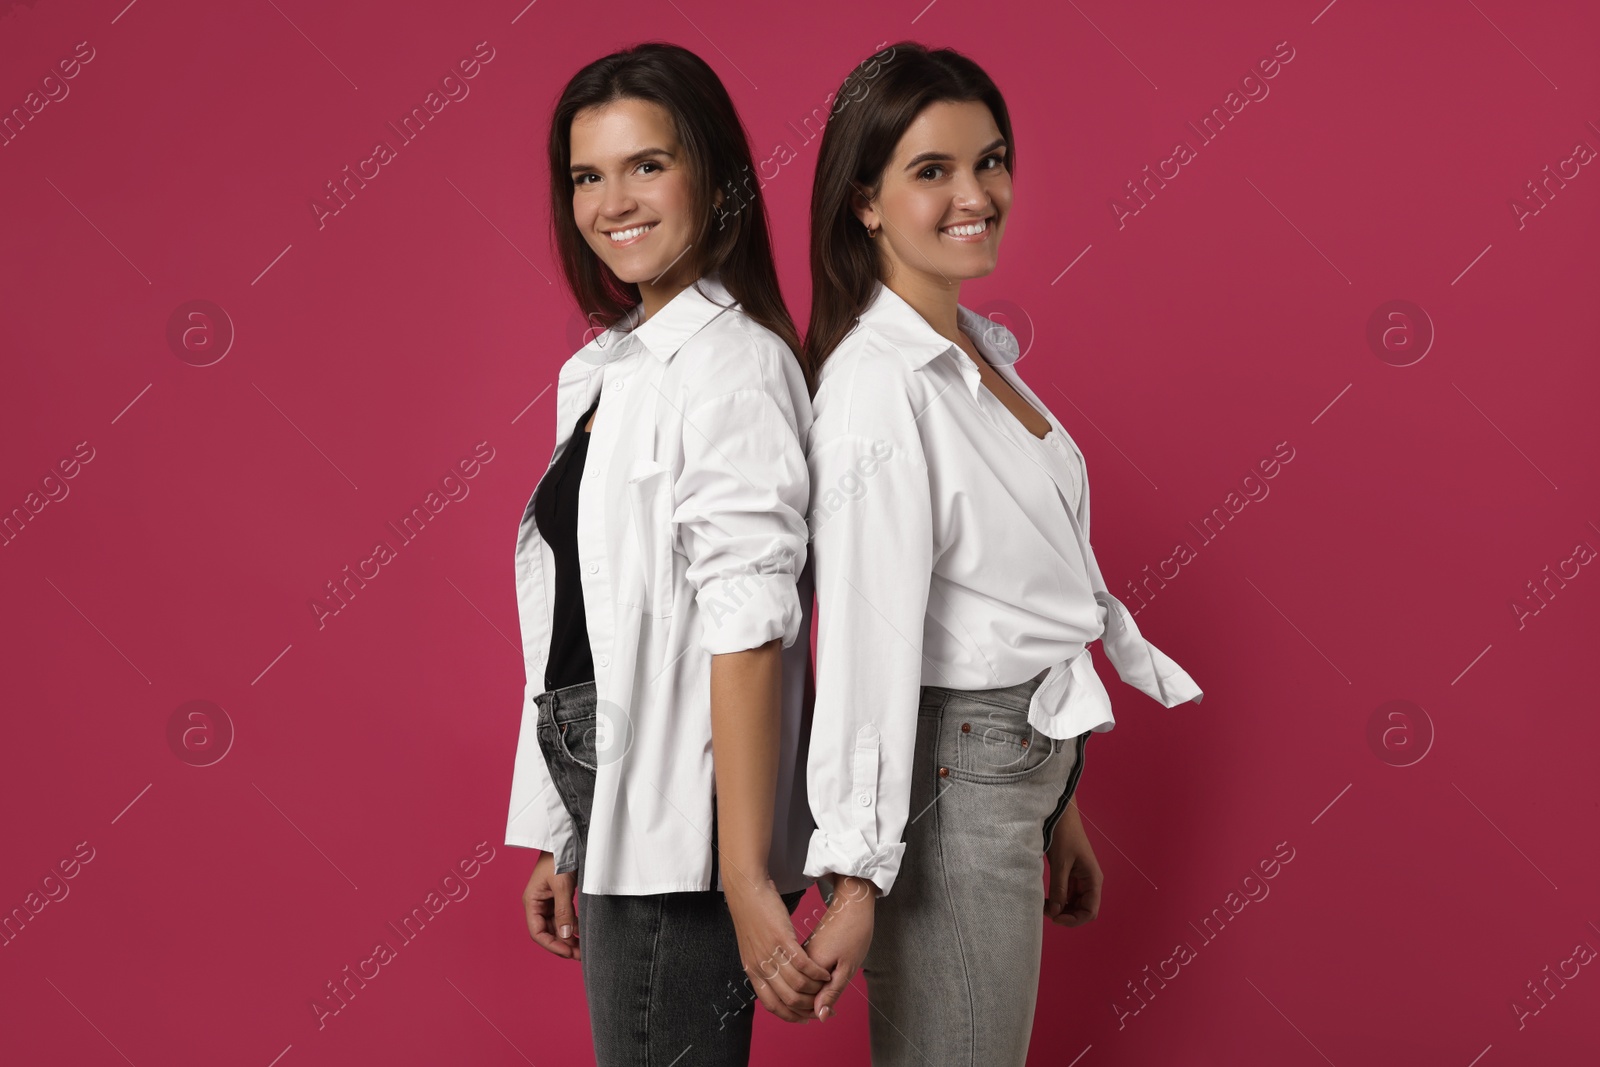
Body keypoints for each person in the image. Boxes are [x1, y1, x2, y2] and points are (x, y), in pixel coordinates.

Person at [797, 41, 1205, 1065]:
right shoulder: (876, 385)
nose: (975, 193)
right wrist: (854, 874)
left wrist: (1055, 803)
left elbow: (998, 598)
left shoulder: (974, 356)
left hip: (1004, 768)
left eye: (990, 160)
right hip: (954, 783)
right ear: (865, 202)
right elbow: (865, 639)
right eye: (930, 171)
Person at [502, 41, 827, 1065]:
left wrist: (738, 870)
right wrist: (566, 828)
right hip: (611, 800)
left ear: (712, 175)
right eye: (587, 176)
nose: (612, 201)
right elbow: (575, 620)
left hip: (684, 819)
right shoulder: (605, 370)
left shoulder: (732, 363)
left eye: (646, 164)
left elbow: (750, 625)